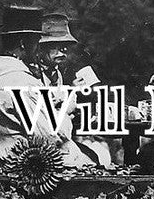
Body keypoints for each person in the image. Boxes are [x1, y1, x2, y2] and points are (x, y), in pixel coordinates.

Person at [0, 5, 87, 166]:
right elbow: (53, 135)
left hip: (5, 153)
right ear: (23, 43)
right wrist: (66, 110)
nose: (37, 48)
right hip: (25, 163)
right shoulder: (21, 81)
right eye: (35, 41)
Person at [35, 13, 105, 167]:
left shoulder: (57, 72)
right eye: (56, 46)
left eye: (65, 45)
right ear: (41, 48)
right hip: (41, 149)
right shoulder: (33, 74)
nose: (63, 50)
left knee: (95, 158)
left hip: (61, 140)